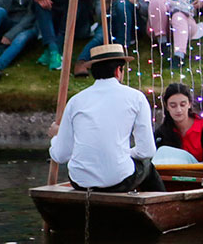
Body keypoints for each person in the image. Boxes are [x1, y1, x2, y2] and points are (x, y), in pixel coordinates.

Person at [49, 44, 165, 192]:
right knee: (147, 165)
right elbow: (147, 151)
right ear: (118, 71)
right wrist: (127, 153)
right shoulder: (136, 98)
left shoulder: (75, 101)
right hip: (118, 180)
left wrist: (55, 138)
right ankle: (165, 206)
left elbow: (60, 155)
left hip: (80, 181)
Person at [155, 83, 203, 162]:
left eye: (182, 105)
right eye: (173, 106)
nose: (178, 110)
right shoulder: (162, 133)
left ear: (189, 104)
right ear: (167, 107)